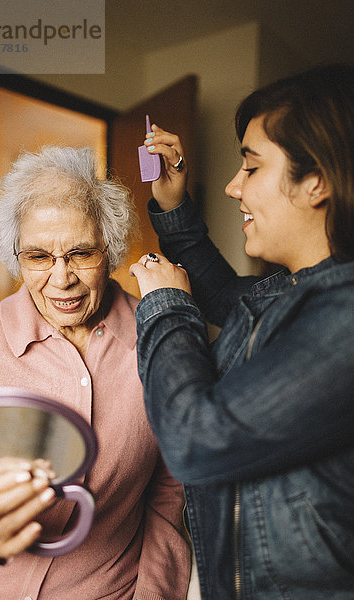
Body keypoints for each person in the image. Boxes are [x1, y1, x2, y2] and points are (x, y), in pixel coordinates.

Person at [129, 63, 354, 600]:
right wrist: (171, 202)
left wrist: (165, 306)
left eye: (251, 168)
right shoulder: (295, 291)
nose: (233, 186)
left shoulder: (344, 318)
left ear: (316, 181)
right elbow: (231, 299)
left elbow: (195, 438)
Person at [0, 146, 191, 600]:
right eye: (38, 257)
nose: (61, 279)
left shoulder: (158, 337)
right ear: (15, 254)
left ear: (112, 248)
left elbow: (171, 487)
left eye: (81, 253)